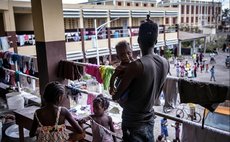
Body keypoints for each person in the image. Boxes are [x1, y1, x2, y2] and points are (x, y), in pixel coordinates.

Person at [112, 15, 169, 141]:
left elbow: (115, 96)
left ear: (138, 41)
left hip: (132, 122)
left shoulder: (136, 66)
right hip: (149, 117)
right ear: (156, 41)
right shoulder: (165, 62)